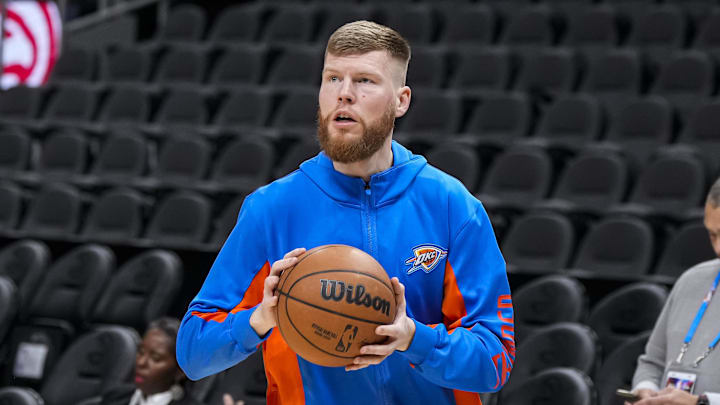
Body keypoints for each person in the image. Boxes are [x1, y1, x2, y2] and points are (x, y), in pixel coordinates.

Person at [176, 21, 515, 405]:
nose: (345, 94)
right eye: (333, 78)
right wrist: (259, 319)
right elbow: (193, 352)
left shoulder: (454, 207)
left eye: (365, 81)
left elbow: (495, 360)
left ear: (401, 100)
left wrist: (412, 338)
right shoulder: (271, 209)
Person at [627, 178, 720, 405]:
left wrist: (703, 403)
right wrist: (646, 389)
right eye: (713, 235)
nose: (718, 248)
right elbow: (652, 363)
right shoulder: (692, 280)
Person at [101, 318, 201, 405]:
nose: (141, 362)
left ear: (181, 371)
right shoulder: (114, 397)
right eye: (141, 352)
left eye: (156, 358)